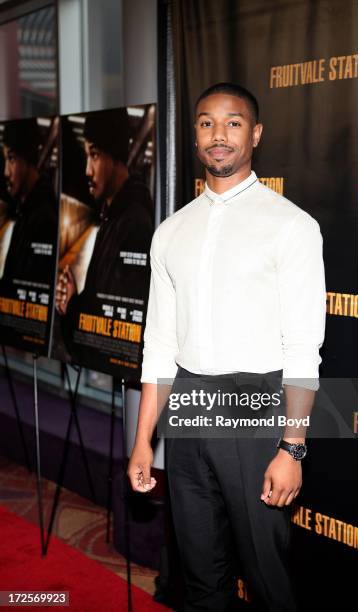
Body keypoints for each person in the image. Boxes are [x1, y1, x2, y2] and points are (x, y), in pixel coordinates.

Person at [127, 83, 326, 611]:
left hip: (256, 406)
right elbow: (160, 343)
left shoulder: (292, 226)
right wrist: (144, 438)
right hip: (189, 409)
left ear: (255, 134)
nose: (219, 135)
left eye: (233, 123)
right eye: (206, 123)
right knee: (200, 578)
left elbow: (304, 347)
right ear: (194, 135)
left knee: (269, 579)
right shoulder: (170, 233)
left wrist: (292, 447)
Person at [55, 109, 153, 366]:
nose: (87, 170)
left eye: (95, 155)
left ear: (116, 157)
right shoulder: (112, 217)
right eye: (87, 155)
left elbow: (119, 327)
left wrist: (73, 305)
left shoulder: (133, 224)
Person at [0, 118, 57, 292]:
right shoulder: (27, 210)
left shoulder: (43, 218)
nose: (5, 172)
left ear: (27, 159)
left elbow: (28, 288)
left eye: (11, 159)